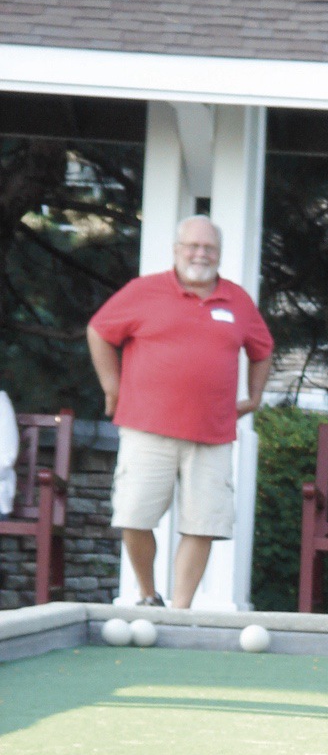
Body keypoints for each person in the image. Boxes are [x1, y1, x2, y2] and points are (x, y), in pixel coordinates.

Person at [86, 215, 273, 609]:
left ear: (219, 254)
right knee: (133, 518)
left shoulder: (236, 300)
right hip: (146, 427)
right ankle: (149, 595)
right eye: (192, 246)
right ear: (176, 250)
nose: (200, 254)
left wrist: (254, 397)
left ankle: (180, 611)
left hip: (212, 433)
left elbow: (262, 349)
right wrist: (111, 387)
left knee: (203, 525)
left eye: (209, 248)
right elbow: (100, 331)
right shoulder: (144, 290)